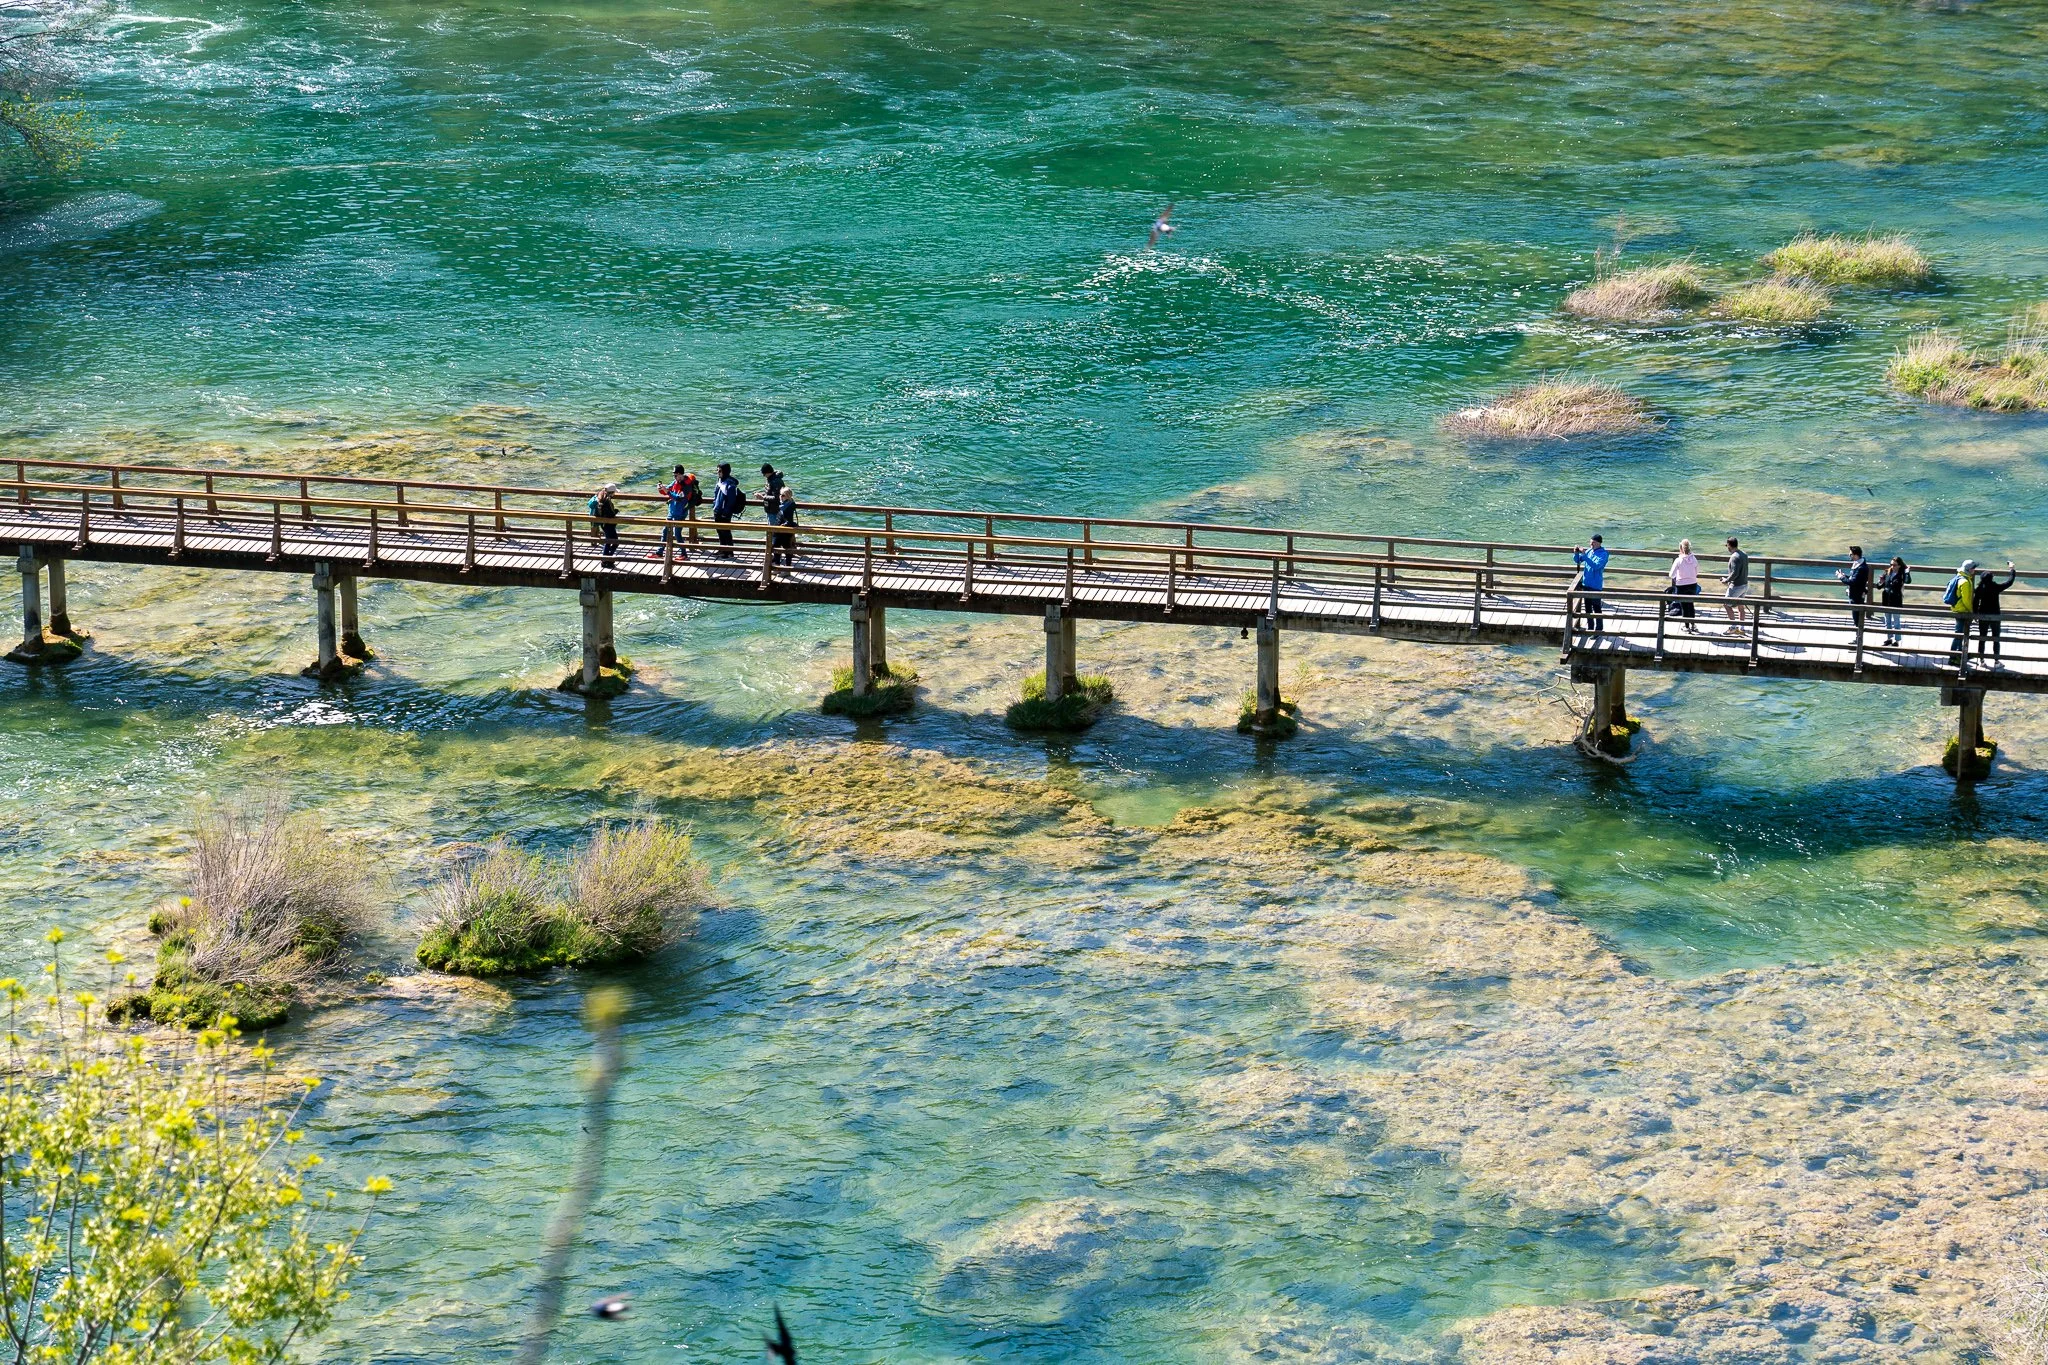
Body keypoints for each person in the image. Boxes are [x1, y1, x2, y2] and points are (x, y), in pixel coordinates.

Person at [650, 464, 701, 558]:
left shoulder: (687, 486)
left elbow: (679, 498)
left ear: (681, 474)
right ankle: (659, 552)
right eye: (674, 475)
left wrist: (668, 492)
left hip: (680, 513)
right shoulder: (675, 482)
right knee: (665, 531)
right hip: (672, 510)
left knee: (677, 533)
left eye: (676, 475)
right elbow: (667, 490)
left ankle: (684, 554)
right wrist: (661, 488)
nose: (674, 477)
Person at [1976, 560, 2018, 662]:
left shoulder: (1979, 589)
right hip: (1995, 615)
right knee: (1996, 638)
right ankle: (1996, 660)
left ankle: (1981, 660)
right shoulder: (1996, 587)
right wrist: (2012, 569)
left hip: (1982, 615)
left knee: (1982, 638)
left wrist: (1975, 614)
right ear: (1992, 578)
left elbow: (1975, 602)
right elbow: (2009, 582)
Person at [1573, 534, 1609, 634]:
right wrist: (1576, 553)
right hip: (1586, 583)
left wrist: (1585, 556)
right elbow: (1577, 560)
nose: (1591, 544)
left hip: (1595, 585)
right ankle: (1590, 628)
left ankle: (1598, 630)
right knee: (1588, 608)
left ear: (1599, 543)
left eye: (1593, 542)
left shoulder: (1603, 554)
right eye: (1590, 542)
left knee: (1596, 608)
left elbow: (1596, 566)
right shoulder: (1589, 551)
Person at [1943, 559, 1977, 665]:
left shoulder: (1959, 577)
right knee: (1959, 634)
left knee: (1960, 633)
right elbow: (1966, 600)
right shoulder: (1966, 582)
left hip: (1957, 608)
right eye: (1973, 568)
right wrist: (1971, 611)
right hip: (1962, 610)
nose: (1975, 570)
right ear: (1970, 570)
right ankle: (1953, 657)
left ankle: (1959, 655)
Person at [1720, 537, 1753, 635]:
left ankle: (1733, 627)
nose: (1727, 548)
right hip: (1744, 584)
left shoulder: (1734, 557)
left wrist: (1726, 580)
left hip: (1736, 586)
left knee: (1726, 604)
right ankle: (1742, 628)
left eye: (1727, 546)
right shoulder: (1744, 554)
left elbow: (1734, 573)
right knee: (1741, 606)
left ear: (1729, 545)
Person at [710, 462, 744, 558]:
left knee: (726, 532)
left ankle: (729, 552)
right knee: (719, 531)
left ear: (725, 471)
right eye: (717, 471)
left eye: (720, 471)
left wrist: (726, 512)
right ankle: (722, 549)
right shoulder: (720, 481)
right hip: (717, 510)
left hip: (725, 513)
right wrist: (714, 506)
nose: (718, 473)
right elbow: (716, 495)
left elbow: (731, 501)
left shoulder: (730, 484)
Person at [1667, 537, 1700, 633]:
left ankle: (1687, 626)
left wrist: (1678, 576)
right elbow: (1697, 571)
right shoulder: (1694, 559)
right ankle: (1693, 625)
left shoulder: (1678, 560)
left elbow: (1671, 574)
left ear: (1681, 548)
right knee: (1691, 604)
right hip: (1693, 584)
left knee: (1684, 606)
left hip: (1681, 585)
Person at [1877, 556, 1910, 647]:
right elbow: (1879, 586)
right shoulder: (1887, 572)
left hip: (1896, 600)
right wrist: (1880, 581)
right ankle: (1889, 639)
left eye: (1894, 565)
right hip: (1886, 599)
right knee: (1887, 621)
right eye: (1891, 564)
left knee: (1896, 621)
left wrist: (1907, 572)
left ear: (1899, 565)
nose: (1892, 566)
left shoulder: (1902, 574)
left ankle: (1897, 640)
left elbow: (1908, 581)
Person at [588, 482, 619, 567]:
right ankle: (606, 560)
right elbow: (611, 514)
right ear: (611, 492)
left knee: (608, 541)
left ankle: (606, 560)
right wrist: (616, 511)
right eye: (614, 492)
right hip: (609, 524)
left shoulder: (600, 496)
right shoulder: (607, 501)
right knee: (614, 542)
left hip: (603, 523)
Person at [771, 486, 799, 566]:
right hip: (779, 530)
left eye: (783, 495)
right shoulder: (784, 505)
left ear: (788, 496)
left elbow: (789, 519)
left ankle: (786, 568)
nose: (780, 496)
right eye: (780, 494)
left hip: (784, 531)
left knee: (785, 549)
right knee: (778, 548)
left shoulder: (789, 506)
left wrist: (784, 525)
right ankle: (778, 566)